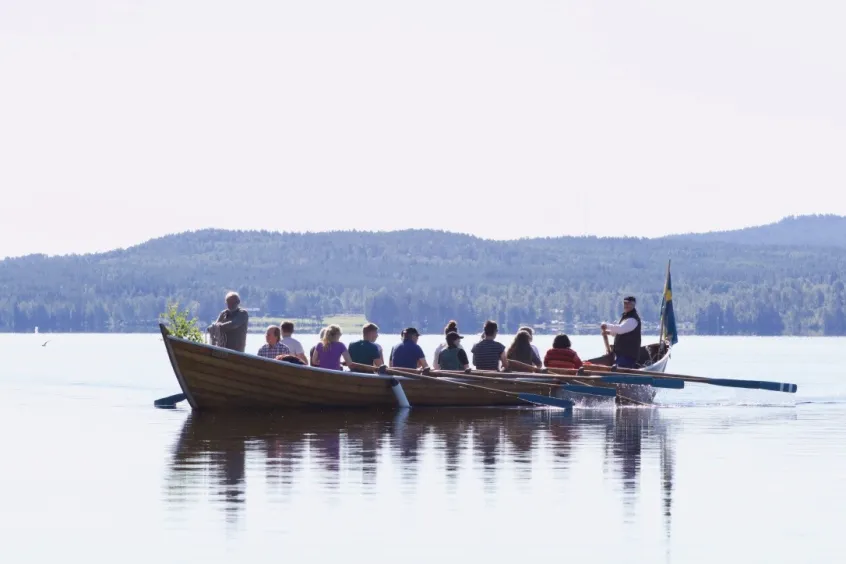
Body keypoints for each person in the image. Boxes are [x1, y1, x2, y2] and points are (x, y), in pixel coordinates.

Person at [601, 296, 642, 368]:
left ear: (634, 305)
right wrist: (609, 332)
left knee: (619, 370)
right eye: (625, 303)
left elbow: (621, 329)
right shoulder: (626, 317)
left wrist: (606, 326)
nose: (626, 305)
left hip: (628, 355)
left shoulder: (633, 319)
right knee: (616, 368)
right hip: (621, 355)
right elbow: (620, 332)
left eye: (629, 304)